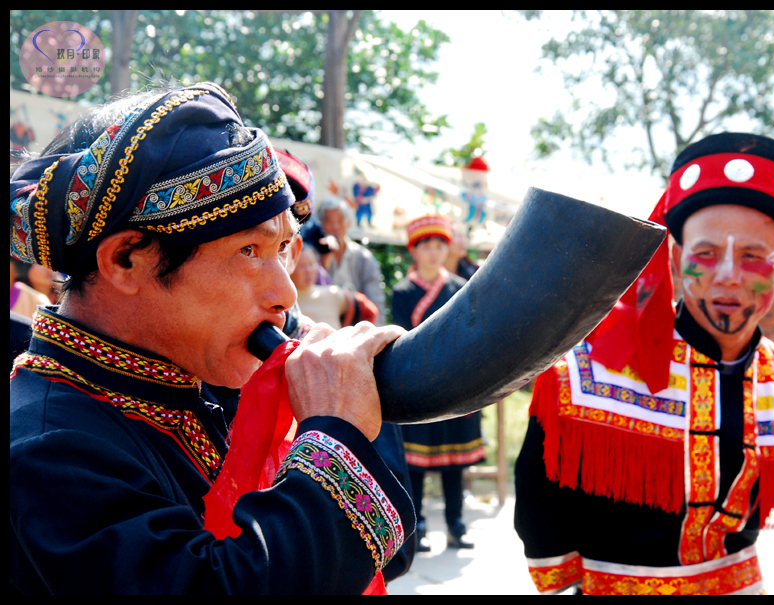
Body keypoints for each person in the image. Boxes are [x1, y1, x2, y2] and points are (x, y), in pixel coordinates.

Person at [10, 83, 414, 594]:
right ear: (125, 260)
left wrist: (352, 404)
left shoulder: (197, 388)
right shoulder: (48, 449)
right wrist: (334, 433)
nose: (285, 293)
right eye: (249, 250)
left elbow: (385, 556)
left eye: (284, 248)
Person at [514, 133, 774, 595]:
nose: (728, 275)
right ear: (676, 257)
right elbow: (540, 507)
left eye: (753, 257)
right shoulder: (586, 372)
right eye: (706, 254)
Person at [392, 215, 486, 552]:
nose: (434, 252)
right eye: (426, 246)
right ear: (414, 251)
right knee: (415, 463)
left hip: (456, 382)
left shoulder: (460, 287)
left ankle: (456, 525)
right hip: (418, 384)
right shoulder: (402, 292)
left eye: (439, 245)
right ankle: (417, 527)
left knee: (454, 463)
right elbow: (402, 338)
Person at [315, 196, 387, 325]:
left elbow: (376, 304)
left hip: (359, 329)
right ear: (320, 225)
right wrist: (324, 263)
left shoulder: (364, 259)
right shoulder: (313, 257)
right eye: (329, 221)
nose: (335, 227)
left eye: (340, 220)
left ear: (348, 223)